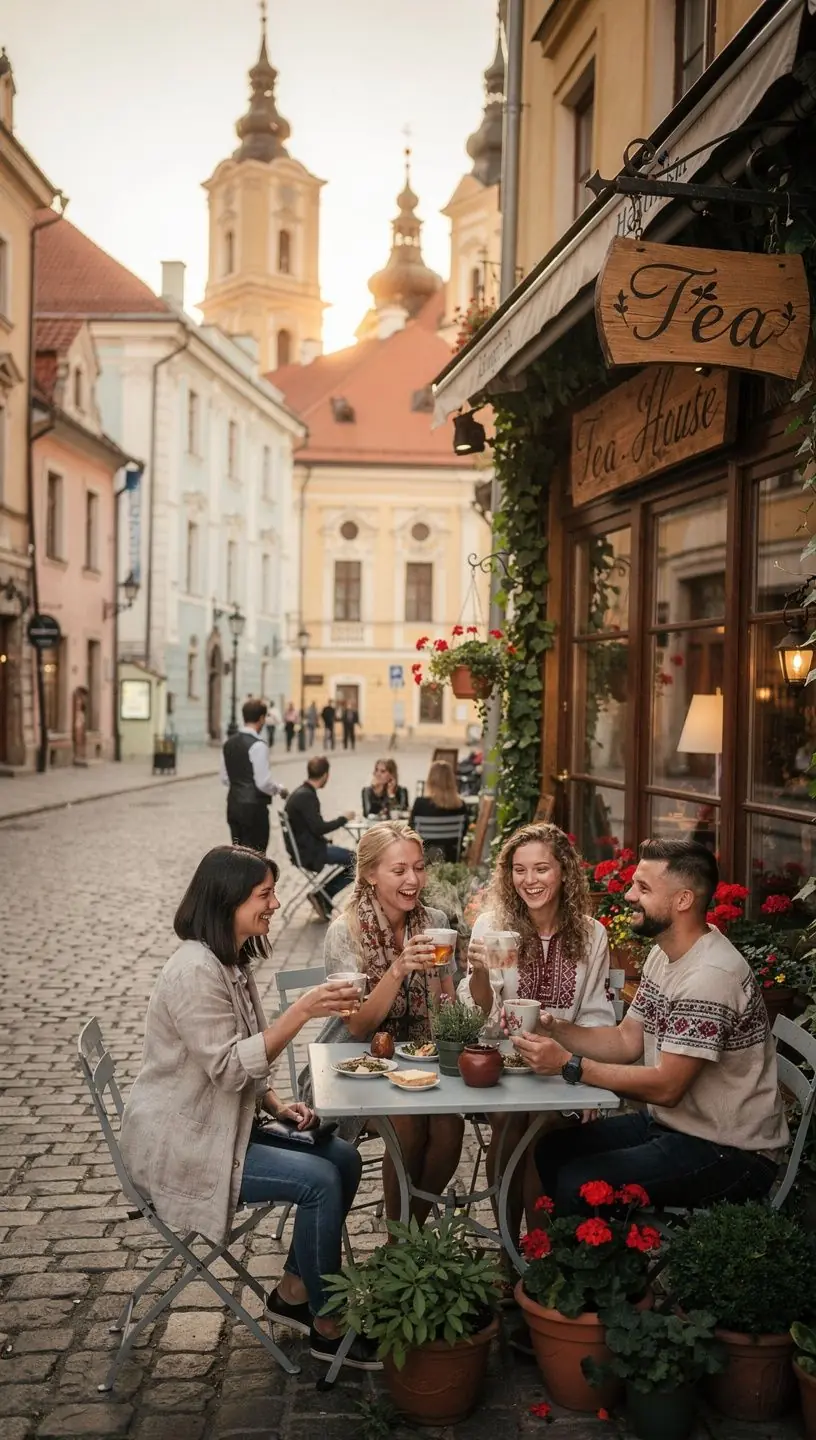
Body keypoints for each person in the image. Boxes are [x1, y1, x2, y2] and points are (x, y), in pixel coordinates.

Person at [119, 846, 379, 1371]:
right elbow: (230, 1068)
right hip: (186, 1145)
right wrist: (303, 1010)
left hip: (226, 1125)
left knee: (343, 1157)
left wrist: (278, 1104)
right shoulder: (194, 971)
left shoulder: (228, 960)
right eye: (264, 895)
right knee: (320, 1181)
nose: (276, 904)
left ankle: (292, 1290)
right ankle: (327, 1323)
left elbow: (244, 1063)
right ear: (228, 900)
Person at [519, 839, 788, 1215]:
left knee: (579, 1181)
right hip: (679, 1128)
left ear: (682, 901)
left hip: (730, 1152)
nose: (629, 896)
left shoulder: (709, 976)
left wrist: (569, 1064)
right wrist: (555, 1028)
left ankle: (594, 1269)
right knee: (551, 1148)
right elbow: (626, 1040)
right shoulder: (666, 954)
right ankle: (577, 1261)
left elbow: (667, 1087)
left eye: (643, 888)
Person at [459, 822, 612, 1240]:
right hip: (502, 1064)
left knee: (543, 1132)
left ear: (563, 870)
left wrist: (586, 1076)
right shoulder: (492, 926)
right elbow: (479, 1014)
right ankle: (511, 1250)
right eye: (519, 870)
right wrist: (477, 970)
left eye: (541, 869)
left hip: (560, 1067)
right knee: (509, 1128)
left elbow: (598, 1015)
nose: (530, 881)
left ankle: (536, 1253)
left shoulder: (592, 934)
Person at [325, 822, 464, 1223]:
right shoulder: (346, 931)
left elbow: (448, 1011)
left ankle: (408, 1234)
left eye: (419, 868)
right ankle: (399, 1240)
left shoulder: (434, 921)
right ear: (370, 874)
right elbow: (356, 1025)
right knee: (408, 1124)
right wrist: (399, 968)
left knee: (450, 1129)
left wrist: (441, 974)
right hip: (356, 1066)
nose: (413, 879)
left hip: (422, 1061)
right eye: (399, 870)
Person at [284, 756, 355, 917]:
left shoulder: (301, 792)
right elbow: (318, 828)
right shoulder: (306, 796)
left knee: (354, 858)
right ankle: (324, 895)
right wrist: (343, 819)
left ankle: (323, 895)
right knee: (357, 861)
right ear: (325, 775)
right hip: (310, 852)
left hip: (307, 848)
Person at [220, 698, 289, 854]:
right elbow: (263, 783)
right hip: (254, 809)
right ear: (262, 719)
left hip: (234, 805)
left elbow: (225, 778)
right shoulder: (258, 745)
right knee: (257, 857)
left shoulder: (228, 743)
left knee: (239, 854)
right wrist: (279, 789)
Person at [409, 760, 470, 862]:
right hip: (450, 859)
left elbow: (410, 830)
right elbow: (463, 833)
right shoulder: (460, 806)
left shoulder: (420, 804)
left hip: (424, 860)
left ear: (430, 780)